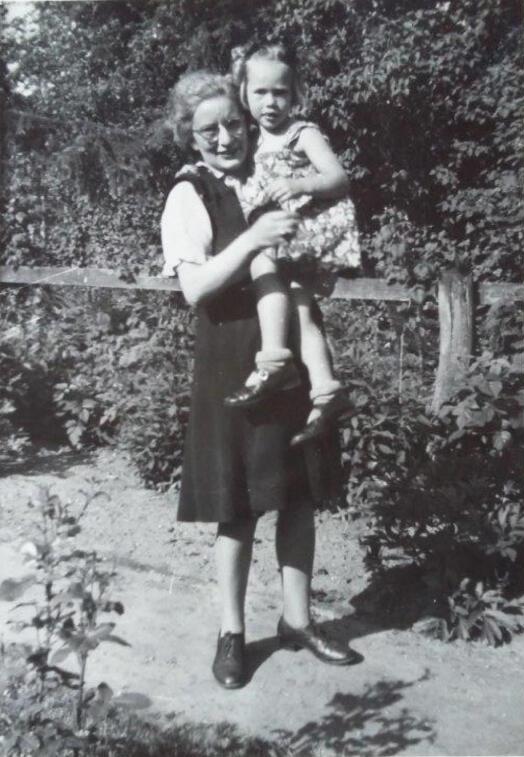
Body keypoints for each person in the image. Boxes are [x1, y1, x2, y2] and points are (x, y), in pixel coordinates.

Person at [161, 70, 360, 689]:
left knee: (299, 494)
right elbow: (194, 287)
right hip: (233, 356)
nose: (225, 138)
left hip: (290, 355)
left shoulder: (272, 171)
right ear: (189, 138)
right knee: (239, 508)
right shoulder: (188, 194)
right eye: (209, 129)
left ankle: (298, 620)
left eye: (232, 124)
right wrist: (253, 238)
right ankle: (232, 633)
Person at [224, 43, 361, 447]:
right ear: (244, 93)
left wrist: (300, 183)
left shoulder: (302, 133)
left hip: (311, 225)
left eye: (280, 92)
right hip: (289, 234)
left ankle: (273, 360)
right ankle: (325, 390)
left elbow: (339, 178)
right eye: (260, 92)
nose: (270, 102)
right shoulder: (249, 139)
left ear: (294, 94)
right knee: (302, 310)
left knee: (259, 258)